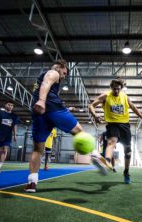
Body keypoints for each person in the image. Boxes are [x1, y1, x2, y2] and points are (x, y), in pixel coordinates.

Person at [24, 59, 110, 193]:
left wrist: (45, 103)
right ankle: (95, 156)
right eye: (64, 73)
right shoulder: (53, 72)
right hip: (52, 108)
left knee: (37, 149)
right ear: (61, 66)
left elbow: (45, 88)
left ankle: (31, 183)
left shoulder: (40, 79)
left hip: (39, 113)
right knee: (79, 131)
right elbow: (47, 82)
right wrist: (42, 100)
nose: (63, 76)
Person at [89, 78, 142, 184]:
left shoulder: (125, 97)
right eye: (114, 89)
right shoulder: (106, 96)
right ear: (111, 88)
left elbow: (134, 107)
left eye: (118, 89)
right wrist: (95, 115)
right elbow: (91, 106)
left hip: (125, 125)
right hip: (112, 124)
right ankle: (106, 163)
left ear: (121, 88)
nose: (116, 91)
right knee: (112, 142)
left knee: (128, 151)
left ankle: (126, 172)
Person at [0, 102, 19, 173]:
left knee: (4, 150)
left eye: (12, 105)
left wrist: (15, 135)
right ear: (5, 105)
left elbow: (15, 126)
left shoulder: (14, 116)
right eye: (9, 104)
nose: (10, 106)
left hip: (8, 136)